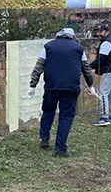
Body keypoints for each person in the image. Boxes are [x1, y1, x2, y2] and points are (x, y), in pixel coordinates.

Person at [27, 28, 96, 157]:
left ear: (58, 36)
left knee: (48, 112)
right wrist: (90, 85)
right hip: (71, 88)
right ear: (72, 36)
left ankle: (44, 139)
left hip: (51, 87)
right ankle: (60, 148)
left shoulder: (48, 47)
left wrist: (33, 85)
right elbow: (86, 69)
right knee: (66, 117)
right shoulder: (79, 49)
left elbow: (38, 67)